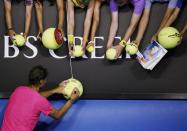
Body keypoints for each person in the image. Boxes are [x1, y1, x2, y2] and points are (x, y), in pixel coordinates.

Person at [1, 65, 79, 131]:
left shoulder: (18, 90)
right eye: (45, 79)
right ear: (41, 81)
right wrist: (71, 100)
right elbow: (57, 115)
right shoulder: (40, 101)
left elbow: (34, 97)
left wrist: (54, 90)